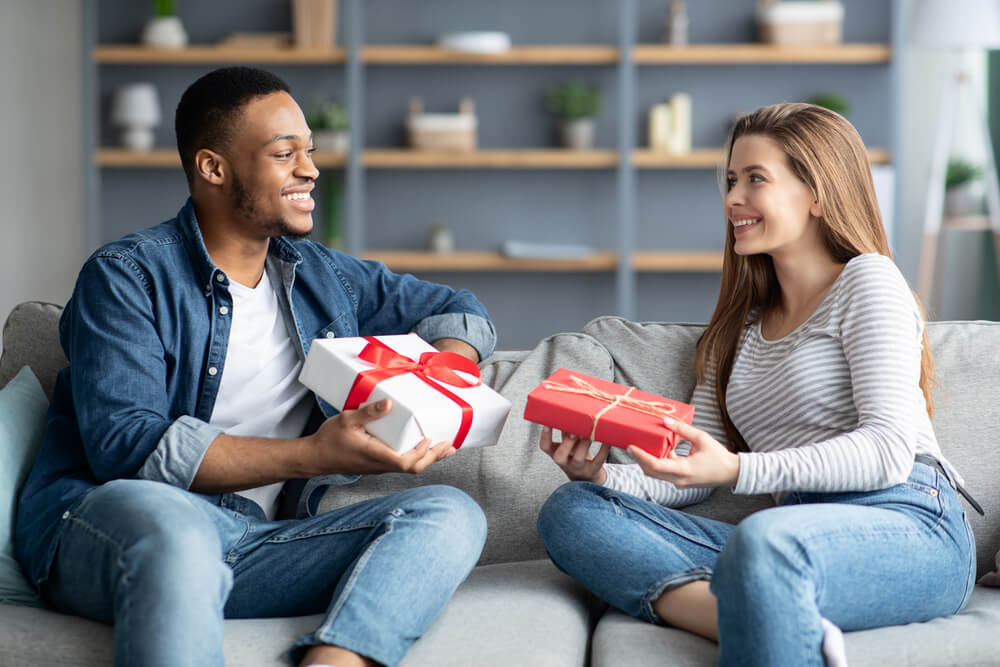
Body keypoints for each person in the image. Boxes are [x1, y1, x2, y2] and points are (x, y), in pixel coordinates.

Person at [15, 66, 496, 667]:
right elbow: (128, 447)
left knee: (448, 513)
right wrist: (318, 455)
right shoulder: (127, 275)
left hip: (256, 543)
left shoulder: (322, 274)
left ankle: (337, 661)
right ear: (213, 168)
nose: (311, 169)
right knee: (177, 529)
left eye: (310, 151)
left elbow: (458, 309)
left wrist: (438, 381)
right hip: (118, 526)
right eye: (284, 152)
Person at [536, 103, 979, 667]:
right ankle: (763, 619)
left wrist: (739, 470)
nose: (731, 200)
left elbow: (889, 452)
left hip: (909, 525)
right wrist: (600, 473)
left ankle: (766, 610)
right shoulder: (735, 331)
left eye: (755, 180)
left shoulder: (868, 281)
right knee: (572, 510)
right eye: (729, 180)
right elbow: (688, 476)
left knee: (764, 542)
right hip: (784, 538)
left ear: (816, 194)